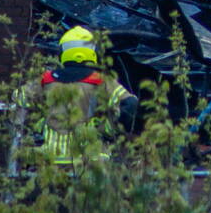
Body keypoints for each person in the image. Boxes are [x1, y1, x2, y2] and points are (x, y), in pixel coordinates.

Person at [14, 25, 138, 165]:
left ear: (63, 51)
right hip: (90, 160)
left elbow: (20, 98)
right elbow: (130, 104)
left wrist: (29, 131)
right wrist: (110, 130)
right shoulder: (101, 81)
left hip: (50, 159)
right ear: (93, 51)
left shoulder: (46, 79)